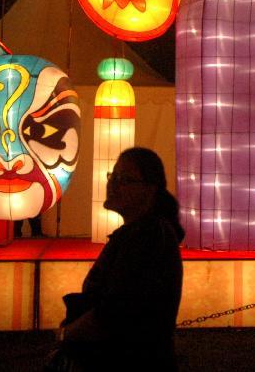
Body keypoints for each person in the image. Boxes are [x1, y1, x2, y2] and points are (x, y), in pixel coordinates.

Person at [53, 147, 184, 371]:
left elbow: (115, 312)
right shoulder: (136, 233)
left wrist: (67, 334)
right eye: (113, 175)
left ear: (150, 189)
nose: (112, 184)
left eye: (124, 179)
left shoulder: (148, 237)